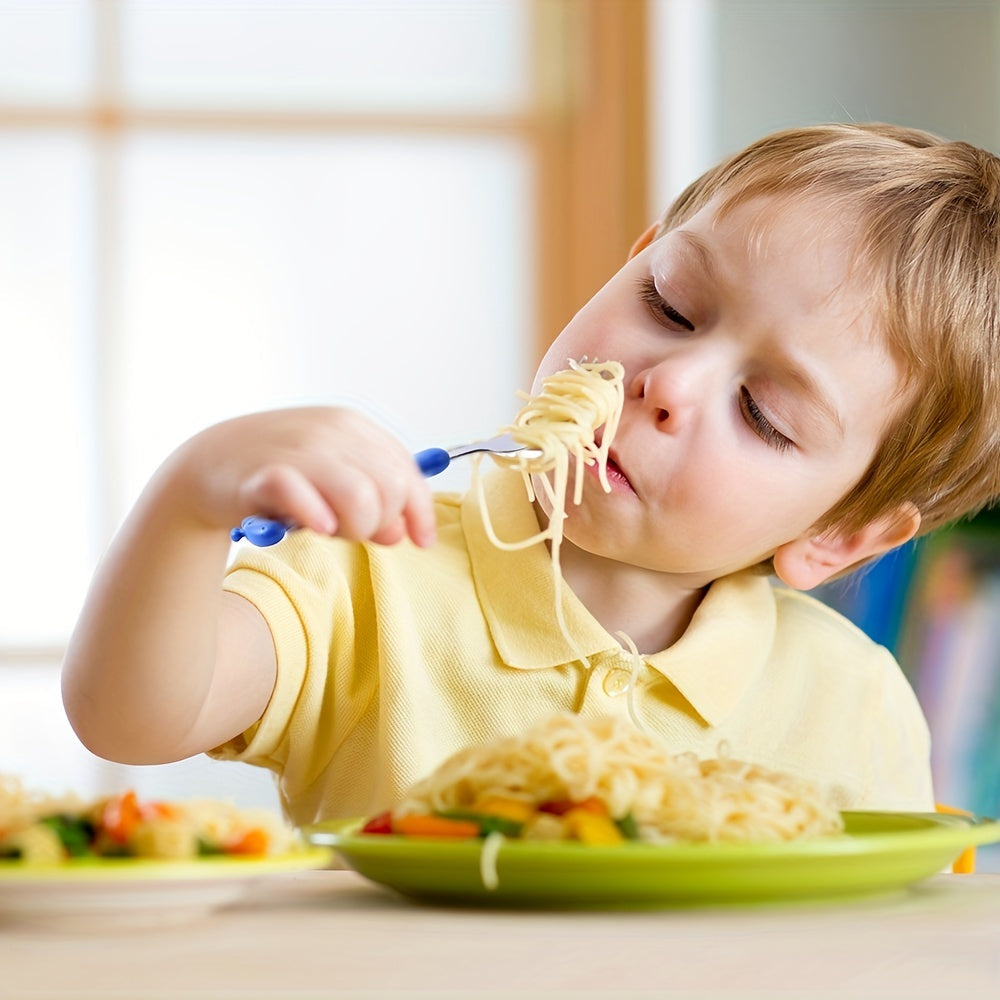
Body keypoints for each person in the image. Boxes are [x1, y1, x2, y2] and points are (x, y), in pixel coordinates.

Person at [62, 123, 1000, 828]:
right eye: (670, 306)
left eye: (763, 413)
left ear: (843, 533)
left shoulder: (852, 698)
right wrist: (192, 497)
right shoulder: (365, 577)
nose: (667, 384)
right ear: (632, 262)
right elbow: (130, 720)